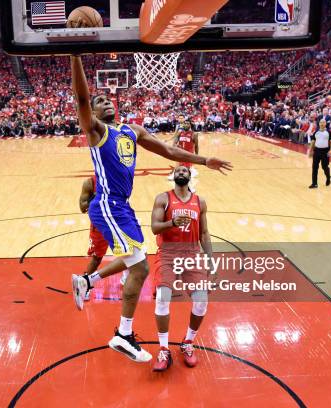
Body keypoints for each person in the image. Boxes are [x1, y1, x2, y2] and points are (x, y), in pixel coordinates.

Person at [68, 45, 232, 362]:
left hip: (122, 207)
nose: (104, 103)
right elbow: (82, 100)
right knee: (140, 266)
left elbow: (168, 152)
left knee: (137, 263)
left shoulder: (132, 130)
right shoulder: (96, 131)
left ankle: (90, 285)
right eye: (98, 102)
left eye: (107, 99)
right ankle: (123, 334)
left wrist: (203, 160)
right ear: (95, 113)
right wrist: (76, 56)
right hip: (107, 204)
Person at [150, 165, 211, 371]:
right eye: (178, 171)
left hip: (192, 254)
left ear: (190, 175)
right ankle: (164, 349)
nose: (182, 172)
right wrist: (172, 223)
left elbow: (204, 233)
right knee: (162, 298)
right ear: (173, 176)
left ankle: (188, 342)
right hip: (167, 253)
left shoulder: (199, 201)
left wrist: (210, 260)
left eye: (185, 170)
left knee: (202, 301)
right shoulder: (163, 198)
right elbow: (154, 228)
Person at [79, 176, 129, 301]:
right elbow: (82, 207)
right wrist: (97, 197)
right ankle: (85, 285)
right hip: (99, 224)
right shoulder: (89, 182)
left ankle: (126, 276)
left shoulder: (119, 178)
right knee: (96, 259)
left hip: (118, 221)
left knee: (128, 251)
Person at [308, 119, 331, 188]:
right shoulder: (316, 132)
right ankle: (314, 183)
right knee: (314, 167)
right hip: (316, 151)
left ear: (325, 124)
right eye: (320, 122)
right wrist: (310, 151)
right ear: (319, 124)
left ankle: (328, 177)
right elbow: (313, 142)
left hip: (325, 151)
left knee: (324, 167)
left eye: (323, 122)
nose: (322, 124)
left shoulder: (329, 132)